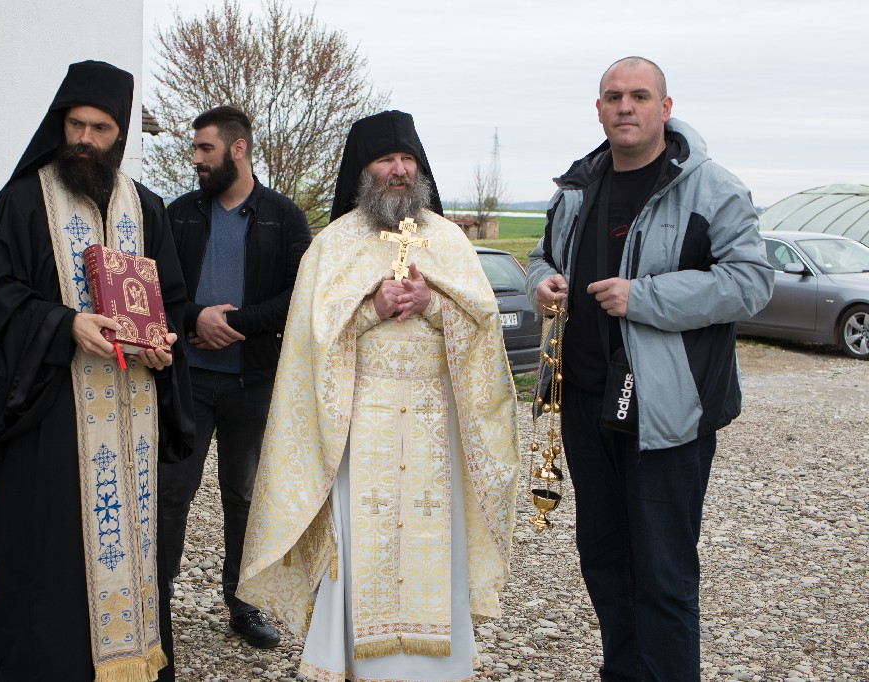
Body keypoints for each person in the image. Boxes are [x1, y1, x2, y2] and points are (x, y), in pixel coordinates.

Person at [237, 110, 519, 681]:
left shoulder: (448, 240)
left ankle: (437, 671)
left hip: (436, 430)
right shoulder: (333, 245)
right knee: (358, 548)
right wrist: (371, 309)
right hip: (357, 425)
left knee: (435, 541)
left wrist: (433, 304)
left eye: (407, 159)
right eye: (386, 159)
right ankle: (353, 664)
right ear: (362, 171)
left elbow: (484, 327)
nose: (399, 170)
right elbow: (310, 342)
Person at [526, 57, 773, 681]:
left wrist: (646, 297)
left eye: (639, 96)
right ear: (598, 110)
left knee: (663, 575)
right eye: (613, 97)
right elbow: (541, 257)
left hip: (668, 411)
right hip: (586, 404)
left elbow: (751, 282)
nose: (625, 107)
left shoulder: (712, 188)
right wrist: (542, 283)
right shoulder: (575, 190)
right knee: (605, 564)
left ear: (665, 108)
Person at [0, 60, 195, 682]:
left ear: (121, 134)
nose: (84, 139)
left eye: (100, 128)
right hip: (51, 420)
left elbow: (169, 301)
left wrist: (164, 347)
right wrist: (64, 326)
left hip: (133, 420)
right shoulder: (22, 202)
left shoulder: (147, 208)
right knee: (49, 564)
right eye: (75, 124)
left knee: (135, 554)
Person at [160, 105, 310, 648]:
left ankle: (244, 603)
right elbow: (156, 290)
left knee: (244, 495)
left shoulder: (283, 217)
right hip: (186, 380)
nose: (195, 159)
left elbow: (301, 294)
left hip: (254, 382)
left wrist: (236, 324)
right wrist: (194, 318)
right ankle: (155, 599)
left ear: (238, 149)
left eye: (205, 148)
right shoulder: (178, 215)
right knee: (172, 491)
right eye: (195, 148)